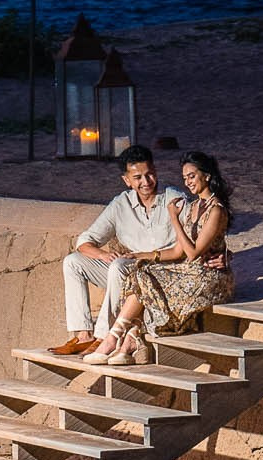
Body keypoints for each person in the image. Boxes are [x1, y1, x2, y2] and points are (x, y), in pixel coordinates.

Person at [85, 152, 235, 364]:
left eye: (192, 176)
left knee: (149, 282)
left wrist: (173, 217)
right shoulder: (191, 207)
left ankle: (115, 338)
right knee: (141, 272)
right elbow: (176, 252)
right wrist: (140, 256)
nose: (188, 182)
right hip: (189, 271)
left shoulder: (216, 210)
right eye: (185, 178)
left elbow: (192, 253)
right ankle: (127, 339)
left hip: (210, 277)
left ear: (207, 176)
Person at [52, 145, 190, 355]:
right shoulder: (121, 204)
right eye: (138, 177)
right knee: (73, 262)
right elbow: (85, 241)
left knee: (118, 266)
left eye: (150, 174)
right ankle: (83, 335)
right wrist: (102, 254)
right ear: (126, 180)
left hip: (162, 272)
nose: (146, 182)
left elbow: (195, 234)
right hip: (128, 272)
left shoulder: (173, 198)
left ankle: (104, 337)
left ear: (155, 170)